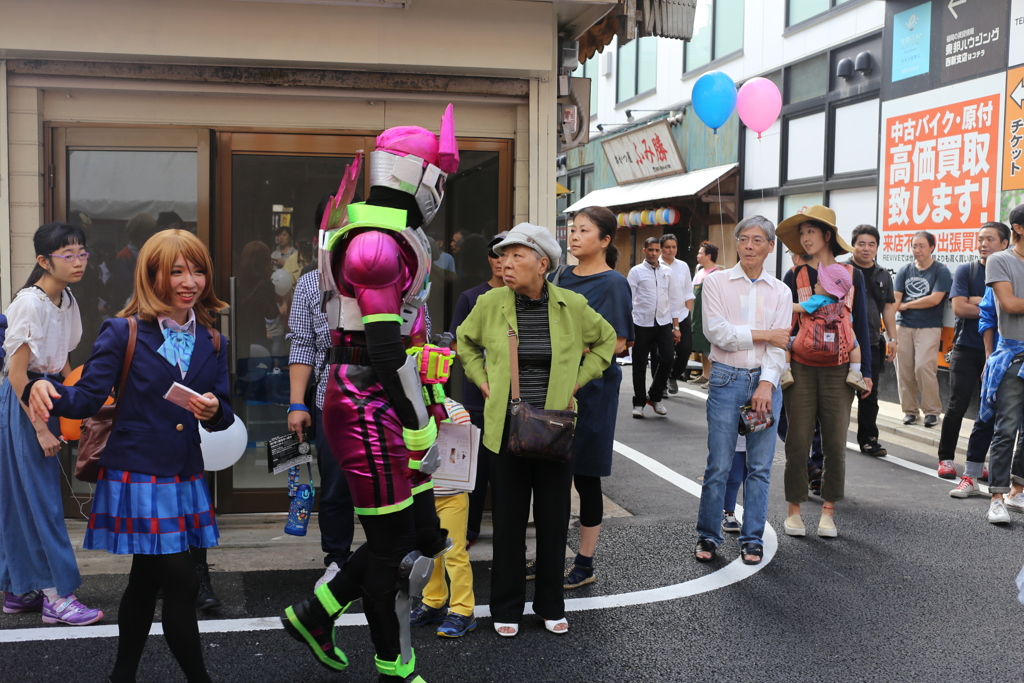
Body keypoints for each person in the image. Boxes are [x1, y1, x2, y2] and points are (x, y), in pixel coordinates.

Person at [280, 109, 459, 683]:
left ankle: (318, 610)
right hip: (369, 405)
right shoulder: (377, 242)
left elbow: (399, 341)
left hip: (393, 399)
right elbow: (382, 351)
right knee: (391, 550)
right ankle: (394, 665)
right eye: (437, 173)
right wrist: (417, 422)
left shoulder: (384, 232)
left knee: (421, 538)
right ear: (416, 175)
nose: (441, 186)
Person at [28, 229, 233, 683]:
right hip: (137, 474)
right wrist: (39, 386)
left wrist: (216, 410)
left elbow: (222, 413)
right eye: (177, 271)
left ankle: (122, 674)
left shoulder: (213, 341)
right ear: (152, 274)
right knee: (182, 580)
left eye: (197, 270)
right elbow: (84, 400)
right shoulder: (125, 330)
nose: (189, 281)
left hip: (183, 474)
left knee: (147, 579)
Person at [458, 222, 616, 637]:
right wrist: (483, 380)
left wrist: (578, 381)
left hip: (554, 429)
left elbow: (607, 341)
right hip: (505, 430)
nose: (505, 264)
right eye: (503, 256)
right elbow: (464, 341)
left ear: (542, 264)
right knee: (508, 523)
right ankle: (505, 607)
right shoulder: (491, 302)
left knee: (552, 519)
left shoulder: (570, 304)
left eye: (517, 256)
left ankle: (550, 604)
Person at [0, 222, 103, 626]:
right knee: (39, 501)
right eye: (68, 255)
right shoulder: (31, 303)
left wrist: (77, 406)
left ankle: (18, 588)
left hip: (49, 398)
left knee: (22, 498)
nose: (78, 261)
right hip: (27, 404)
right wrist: (42, 427)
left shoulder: (66, 298)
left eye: (82, 253)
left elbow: (63, 364)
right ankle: (57, 596)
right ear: (44, 260)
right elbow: (17, 376)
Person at [694, 216, 791, 565]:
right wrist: (764, 334)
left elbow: (779, 350)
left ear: (770, 246)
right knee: (719, 463)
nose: (749, 246)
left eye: (757, 240)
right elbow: (717, 332)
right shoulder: (717, 283)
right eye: (744, 239)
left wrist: (767, 383)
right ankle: (708, 534)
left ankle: (752, 539)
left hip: (764, 383)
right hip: (725, 379)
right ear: (736, 243)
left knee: (760, 466)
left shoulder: (781, 290)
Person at [777, 205, 873, 539]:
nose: (804, 239)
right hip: (801, 366)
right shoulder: (795, 275)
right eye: (801, 234)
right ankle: (794, 511)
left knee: (835, 442)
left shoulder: (852, 274)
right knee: (797, 442)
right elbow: (785, 321)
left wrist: (867, 371)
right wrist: (780, 364)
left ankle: (828, 512)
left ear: (827, 235)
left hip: (840, 368)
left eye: (810, 233)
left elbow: (860, 321)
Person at [549, 207, 632, 589]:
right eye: (572, 229)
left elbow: (615, 344)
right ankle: (551, 554)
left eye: (584, 230)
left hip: (593, 391)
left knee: (586, 476)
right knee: (551, 475)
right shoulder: (559, 276)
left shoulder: (614, 283)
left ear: (604, 240)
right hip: (553, 387)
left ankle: (584, 561)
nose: (574, 236)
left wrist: (567, 348)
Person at [286, 201, 356, 591]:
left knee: (390, 481)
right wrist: (298, 404)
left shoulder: (396, 277)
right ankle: (337, 559)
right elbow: (302, 345)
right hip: (330, 397)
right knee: (334, 483)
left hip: (384, 396)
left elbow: (421, 336)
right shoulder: (311, 283)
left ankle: (387, 557)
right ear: (321, 236)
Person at [448, 231, 508, 546]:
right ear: (489, 259)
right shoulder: (471, 297)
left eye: (510, 254)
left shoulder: (527, 298)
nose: (503, 261)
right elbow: (458, 343)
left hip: (515, 400)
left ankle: (509, 535)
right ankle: (468, 531)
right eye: (497, 255)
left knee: (508, 472)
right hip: (476, 396)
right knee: (475, 469)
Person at [936, 223, 1009, 479]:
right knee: (957, 405)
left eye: (990, 239)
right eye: (980, 239)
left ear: (1005, 244)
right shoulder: (967, 270)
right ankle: (945, 458)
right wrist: (996, 308)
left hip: (1000, 352)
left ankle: (977, 462)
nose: (983, 244)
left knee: (989, 408)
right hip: (966, 348)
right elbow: (959, 309)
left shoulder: (1008, 271)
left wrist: (978, 301)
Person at [409, 398, 477, 638]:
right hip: (421, 494)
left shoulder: (454, 409)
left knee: (454, 553)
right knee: (428, 552)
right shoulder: (406, 407)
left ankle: (463, 610)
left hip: (451, 495)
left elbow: (464, 444)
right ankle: (433, 602)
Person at [977, 206, 1024, 524]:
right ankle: (996, 496)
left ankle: (1018, 490)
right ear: (1018, 228)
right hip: (1012, 355)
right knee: (1006, 428)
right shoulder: (1000, 260)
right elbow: (1008, 304)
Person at [847, 225, 898, 457]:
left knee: (869, 394)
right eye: (861, 244)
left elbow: (888, 308)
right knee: (841, 394)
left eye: (871, 244)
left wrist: (892, 337)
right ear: (853, 245)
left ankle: (868, 440)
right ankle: (834, 438)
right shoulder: (842, 270)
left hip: (873, 343)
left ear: (877, 247)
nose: (866, 249)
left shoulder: (883, 274)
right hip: (844, 343)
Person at [893, 231, 953, 427]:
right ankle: (910, 411)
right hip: (903, 326)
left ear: (932, 247)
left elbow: (935, 299)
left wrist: (908, 305)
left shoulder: (940, 271)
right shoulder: (904, 270)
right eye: (914, 246)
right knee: (904, 370)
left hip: (928, 326)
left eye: (921, 246)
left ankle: (932, 411)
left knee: (923, 368)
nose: (917, 250)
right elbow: (896, 300)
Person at [627, 237, 681, 418]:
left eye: (657, 250)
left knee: (668, 358)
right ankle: (639, 402)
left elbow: (673, 299)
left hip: (663, 322)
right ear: (644, 251)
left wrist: (676, 326)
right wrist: (628, 328)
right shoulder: (636, 272)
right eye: (651, 250)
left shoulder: (667, 271)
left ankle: (655, 396)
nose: (654, 253)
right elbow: (629, 300)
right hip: (641, 323)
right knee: (640, 365)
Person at [655, 233, 694, 395]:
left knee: (685, 350)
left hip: (683, 314)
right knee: (664, 353)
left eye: (674, 247)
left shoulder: (683, 266)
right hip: (662, 316)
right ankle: (661, 384)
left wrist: (688, 312)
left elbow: (688, 292)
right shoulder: (655, 266)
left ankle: (673, 376)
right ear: (661, 248)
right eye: (667, 247)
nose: (671, 250)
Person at [689, 241, 721, 387]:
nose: (698, 255)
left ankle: (712, 377)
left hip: (709, 315)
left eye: (700, 253)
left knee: (709, 347)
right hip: (696, 314)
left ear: (708, 256)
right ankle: (705, 374)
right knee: (701, 345)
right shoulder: (699, 272)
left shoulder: (717, 274)